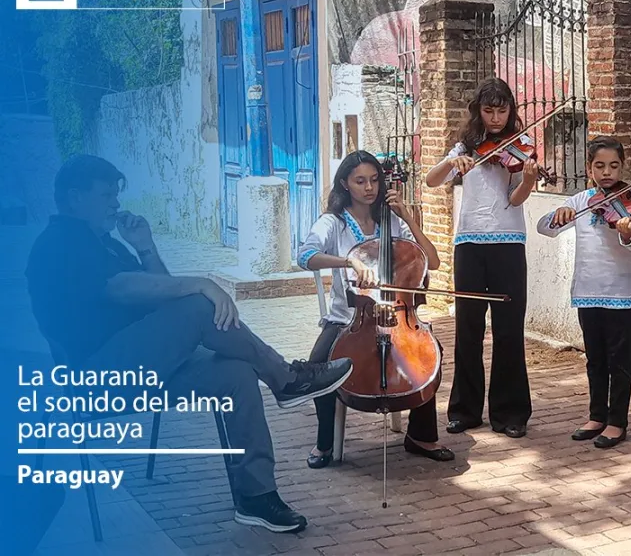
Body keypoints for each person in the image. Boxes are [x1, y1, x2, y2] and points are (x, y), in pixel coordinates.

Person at [24, 155, 354, 534]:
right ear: (75, 197)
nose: (115, 204)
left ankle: (256, 496)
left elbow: (161, 296)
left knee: (237, 373)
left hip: (144, 367)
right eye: (106, 195)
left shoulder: (107, 245)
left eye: (116, 195)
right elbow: (119, 288)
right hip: (95, 379)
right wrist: (201, 283)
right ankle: (286, 378)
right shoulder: (58, 244)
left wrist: (145, 247)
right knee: (199, 306)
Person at [298, 150, 454, 467]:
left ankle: (421, 435)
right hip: (347, 320)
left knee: (429, 356)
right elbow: (305, 256)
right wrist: (349, 261)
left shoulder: (391, 221)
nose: (369, 188)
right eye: (360, 181)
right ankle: (324, 443)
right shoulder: (333, 223)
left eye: (373, 180)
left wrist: (407, 217)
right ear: (345, 184)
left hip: (398, 317)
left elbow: (433, 261)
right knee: (317, 367)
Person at [424, 77, 537, 439]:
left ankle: (511, 412)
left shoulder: (521, 146)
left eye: (502, 110)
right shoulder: (466, 146)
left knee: (509, 329)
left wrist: (528, 180)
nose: (496, 118)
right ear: (478, 111)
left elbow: (515, 199)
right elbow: (431, 180)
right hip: (469, 243)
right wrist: (453, 161)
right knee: (468, 328)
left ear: (511, 110)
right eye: (489, 111)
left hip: (509, 243)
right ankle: (464, 410)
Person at [537, 137, 631, 449]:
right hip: (588, 289)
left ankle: (617, 421)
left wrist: (627, 233)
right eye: (600, 166)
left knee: (619, 360)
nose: (607, 172)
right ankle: (597, 416)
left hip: (621, 291)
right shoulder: (580, 201)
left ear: (622, 167)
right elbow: (545, 228)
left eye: (613, 166)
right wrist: (559, 212)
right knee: (595, 358)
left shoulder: (630, 201)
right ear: (589, 168)